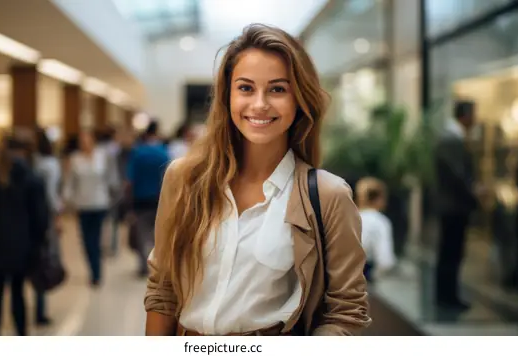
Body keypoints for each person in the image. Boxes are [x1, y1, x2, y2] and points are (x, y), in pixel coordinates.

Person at [144, 24, 370, 336]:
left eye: (277, 89)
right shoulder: (183, 179)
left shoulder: (329, 195)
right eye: (246, 88)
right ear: (227, 96)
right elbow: (162, 289)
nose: (260, 104)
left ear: (299, 99)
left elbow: (346, 311)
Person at [0, 134, 48, 336]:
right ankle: (21, 335)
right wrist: (38, 242)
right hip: (22, 247)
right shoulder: (31, 178)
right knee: (17, 293)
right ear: (23, 152)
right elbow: (40, 217)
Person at [434, 100, 481, 310]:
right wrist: (474, 191)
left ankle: (447, 296)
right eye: (473, 114)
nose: (475, 119)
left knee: (451, 251)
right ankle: (447, 297)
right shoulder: (451, 139)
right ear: (465, 115)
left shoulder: (453, 138)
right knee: (451, 252)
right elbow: (457, 174)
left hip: (452, 206)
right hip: (453, 207)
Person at [63, 130, 118, 287]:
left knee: (97, 238)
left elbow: (110, 179)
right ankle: (93, 267)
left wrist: (113, 196)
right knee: (87, 241)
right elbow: (69, 183)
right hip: (83, 205)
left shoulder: (103, 157)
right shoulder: (75, 160)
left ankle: (96, 273)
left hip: (100, 203)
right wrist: (67, 201)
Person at [126, 121, 170, 276]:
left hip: (141, 200)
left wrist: (128, 203)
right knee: (158, 234)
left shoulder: (137, 153)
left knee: (141, 234)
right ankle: (158, 264)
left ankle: (143, 265)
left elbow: (130, 180)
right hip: (160, 199)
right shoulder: (163, 152)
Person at [32, 127, 63, 325]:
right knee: (43, 259)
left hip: (29, 217)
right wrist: (58, 215)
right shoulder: (51, 164)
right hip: (45, 216)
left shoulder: (31, 163)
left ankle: (37, 306)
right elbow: (52, 195)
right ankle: (39, 310)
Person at [356, 177, 396, 283]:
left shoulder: (350, 218)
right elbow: (385, 261)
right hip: (365, 276)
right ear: (379, 198)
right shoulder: (380, 222)